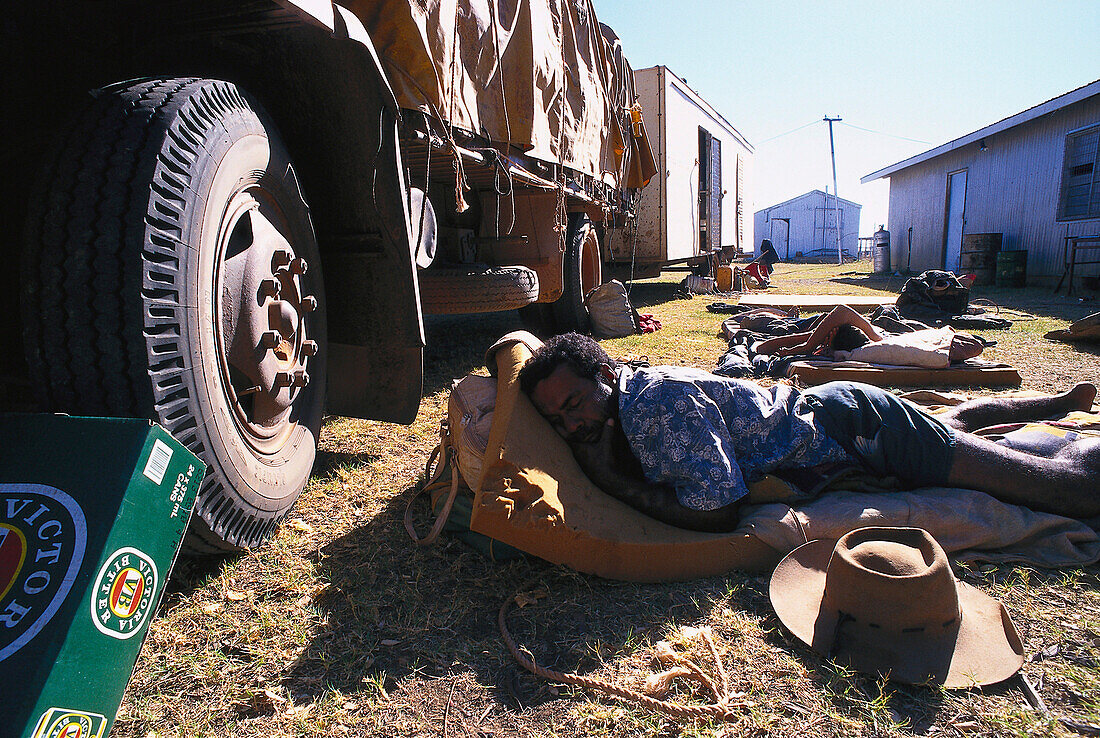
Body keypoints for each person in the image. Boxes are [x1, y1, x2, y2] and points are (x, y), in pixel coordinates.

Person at [518, 332, 1100, 532]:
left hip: (857, 429)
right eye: (558, 420)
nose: (573, 425)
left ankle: (1072, 436)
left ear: (607, 375)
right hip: (833, 415)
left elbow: (720, 510)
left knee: (1067, 490)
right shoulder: (618, 409)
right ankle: (1058, 401)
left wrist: (612, 482)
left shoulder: (654, 408)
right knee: (955, 424)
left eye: (575, 404)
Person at [752, 304, 986, 361]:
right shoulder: (872, 339)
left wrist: (806, 346)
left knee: (758, 323)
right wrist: (808, 343)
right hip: (834, 334)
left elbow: (842, 311)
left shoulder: (872, 340)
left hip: (832, 334)